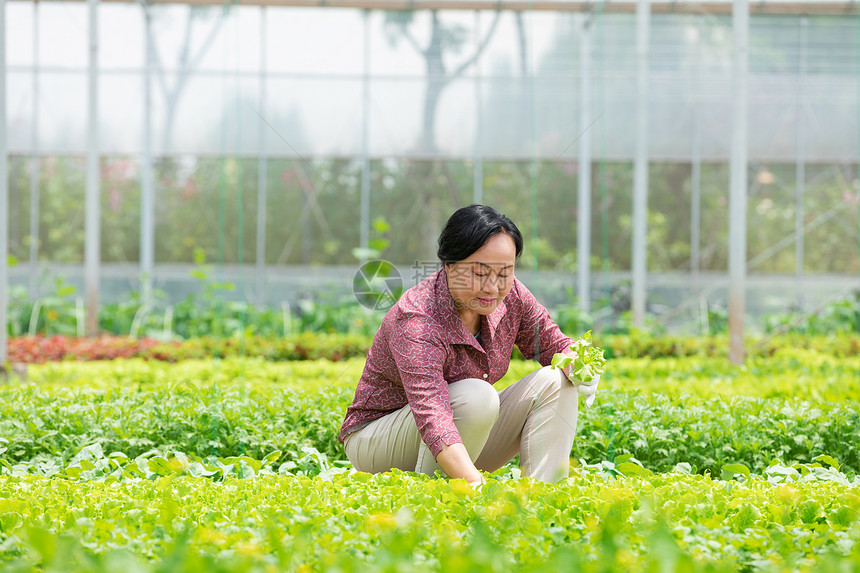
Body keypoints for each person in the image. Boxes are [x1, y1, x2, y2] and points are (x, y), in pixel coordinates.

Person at [338, 204, 599, 485]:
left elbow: (555, 345)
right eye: (478, 273)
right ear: (449, 265)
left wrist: (580, 365)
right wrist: (477, 489)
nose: (492, 287)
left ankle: (540, 498)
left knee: (556, 380)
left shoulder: (513, 296)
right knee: (477, 397)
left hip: (464, 430)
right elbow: (433, 417)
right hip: (378, 440)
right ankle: (439, 498)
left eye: (504, 273)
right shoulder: (417, 318)